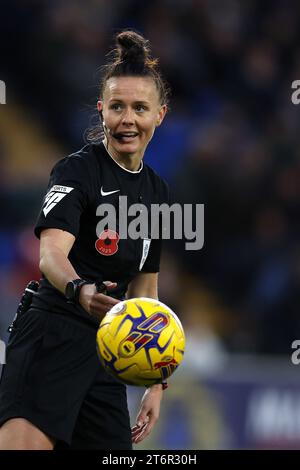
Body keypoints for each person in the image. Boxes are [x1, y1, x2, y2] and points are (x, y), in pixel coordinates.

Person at [0, 30, 171, 450]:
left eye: (139, 108)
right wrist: (80, 289)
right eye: (117, 107)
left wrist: (156, 380)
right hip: (51, 335)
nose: (127, 119)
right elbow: (51, 253)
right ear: (102, 111)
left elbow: (145, 291)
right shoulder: (77, 171)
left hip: (105, 355)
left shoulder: (158, 193)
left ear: (160, 115)